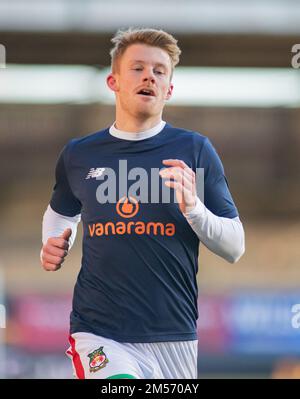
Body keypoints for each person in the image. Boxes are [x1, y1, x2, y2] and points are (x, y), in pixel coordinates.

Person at [40, 27, 245, 379]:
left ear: (169, 89)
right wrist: (54, 243)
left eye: (159, 71)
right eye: (137, 68)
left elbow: (235, 247)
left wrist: (194, 209)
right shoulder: (79, 154)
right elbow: (60, 214)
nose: (149, 75)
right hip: (99, 330)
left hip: (175, 336)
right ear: (113, 81)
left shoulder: (195, 151)